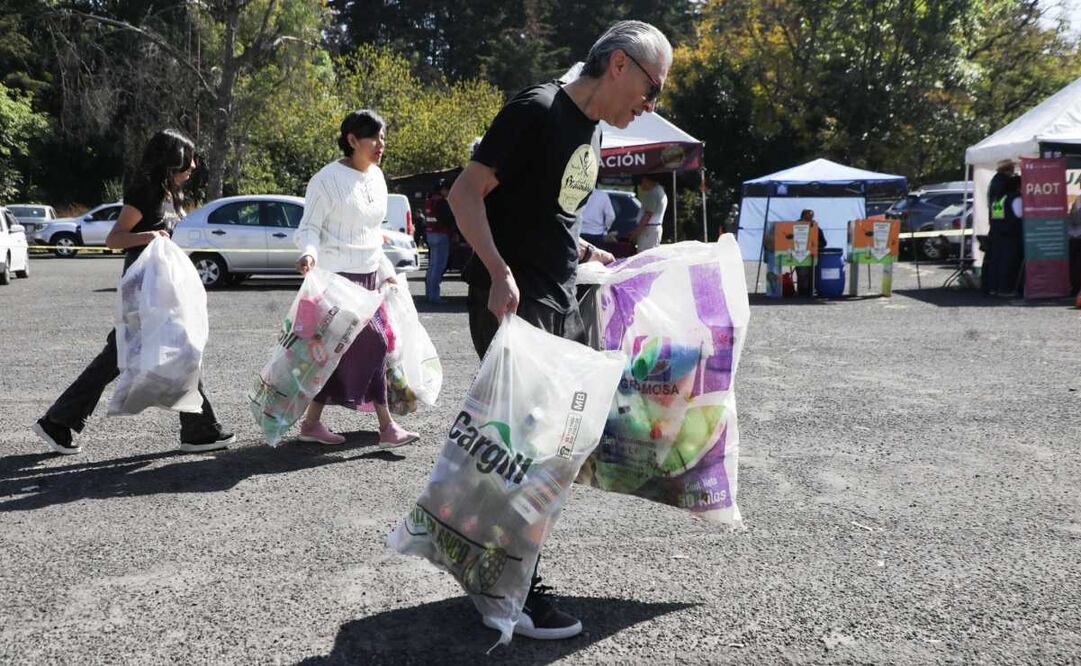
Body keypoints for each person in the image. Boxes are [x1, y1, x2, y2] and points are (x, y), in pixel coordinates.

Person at [449, 19, 670, 641]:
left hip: (556, 300)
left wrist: (589, 252)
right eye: (651, 88)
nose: (649, 106)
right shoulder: (538, 109)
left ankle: (500, 571)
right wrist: (498, 272)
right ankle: (506, 587)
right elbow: (465, 195)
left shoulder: (589, 130)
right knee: (525, 450)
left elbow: (547, 212)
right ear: (620, 64)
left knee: (542, 449)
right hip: (512, 303)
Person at [32, 129, 235, 455]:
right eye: (188, 159)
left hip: (159, 286)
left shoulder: (166, 193)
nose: (194, 166)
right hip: (143, 287)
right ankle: (199, 429)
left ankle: (60, 420)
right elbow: (115, 238)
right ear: (171, 159)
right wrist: (149, 236)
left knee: (159, 350)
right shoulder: (146, 191)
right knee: (157, 350)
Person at [293, 110, 420, 449]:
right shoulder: (325, 180)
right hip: (336, 282)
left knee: (335, 354)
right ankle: (387, 427)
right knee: (375, 343)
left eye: (383, 137)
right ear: (351, 140)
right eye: (374, 137)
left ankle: (311, 423)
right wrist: (309, 253)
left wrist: (386, 271)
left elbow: (372, 232)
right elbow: (309, 227)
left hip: (369, 279)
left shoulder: (377, 177)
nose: (381, 144)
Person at [985, 174, 1024, 296]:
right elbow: (1020, 215)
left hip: (997, 234)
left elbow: (997, 218)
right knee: (1009, 263)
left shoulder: (998, 199)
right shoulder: (1015, 198)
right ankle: (1006, 289)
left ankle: (994, 288)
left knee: (997, 262)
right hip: (1011, 236)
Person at [425, 180, 454, 303]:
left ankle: (429, 294)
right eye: (448, 190)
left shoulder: (429, 200)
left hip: (430, 234)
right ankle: (435, 296)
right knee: (439, 267)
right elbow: (448, 219)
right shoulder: (441, 202)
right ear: (442, 189)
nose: (449, 193)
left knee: (432, 267)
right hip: (441, 235)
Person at [793, 209, 828, 297]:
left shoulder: (816, 228)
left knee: (812, 272)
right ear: (802, 217)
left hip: (812, 255)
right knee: (802, 272)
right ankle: (802, 291)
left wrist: (814, 245)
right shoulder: (794, 226)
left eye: (810, 217)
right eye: (807, 217)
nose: (809, 219)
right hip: (799, 255)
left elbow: (824, 243)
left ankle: (810, 290)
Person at [629, 173, 666, 252]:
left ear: (645, 180)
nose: (640, 185)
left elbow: (648, 215)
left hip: (648, 230)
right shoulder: (659, 191)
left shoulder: (653, 193)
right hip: (652, 229)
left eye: (641, 182)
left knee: (644, 255)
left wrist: (636, 232)